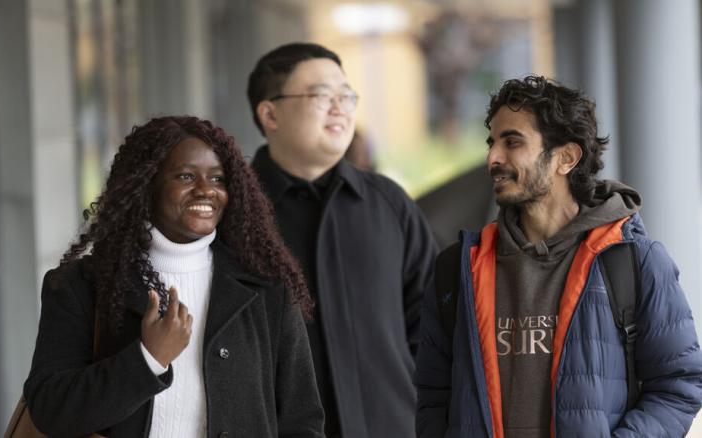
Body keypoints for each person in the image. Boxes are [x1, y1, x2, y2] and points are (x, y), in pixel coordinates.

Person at [414, 75, 702, 437]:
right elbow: (433, 395)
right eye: (492, 143)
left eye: (512, 142)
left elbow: (678, 383)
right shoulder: (455, 269)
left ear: (565, 158)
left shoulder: (634, 261)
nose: (492, 158)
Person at [23, 116, 324, 437]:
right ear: (146, 185)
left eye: (218, 179)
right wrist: (148, 359)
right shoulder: (80, 286)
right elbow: (50, 410)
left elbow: (301, 420)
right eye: (185, 176)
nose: (206, 190)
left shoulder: (267, 289)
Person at [247, 42, 438, 438]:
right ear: (270, 114)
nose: (340, 106)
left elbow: (435, 326)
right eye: (320, 95)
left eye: (346, 95)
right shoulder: (234, 216)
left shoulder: (389, 204)